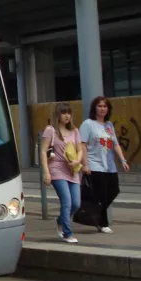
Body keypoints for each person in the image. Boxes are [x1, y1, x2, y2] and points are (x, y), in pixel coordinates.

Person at [81, 96, 130, 234]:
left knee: (114, 189)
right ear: (94, 108)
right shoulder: (88, 124)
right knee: (101, 194)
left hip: (109, 165)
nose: (102, 109)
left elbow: (115, 144)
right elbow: (82, 145)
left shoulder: (109, 125)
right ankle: (103, 223)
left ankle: (94, 214)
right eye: (99, 106)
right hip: (94, 164)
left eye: (105, 106)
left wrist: (123, 160)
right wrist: (85, 165)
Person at [40, 102, 86, 244]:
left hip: (72, 170)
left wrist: (77, 161)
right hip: (57, 168)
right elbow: (42, 151)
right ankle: (67, 233)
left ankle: (60, 220)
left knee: (76, 203)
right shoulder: (51, 130)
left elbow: (80, 150)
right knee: (66, 201)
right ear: (58, 114)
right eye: (63, 113)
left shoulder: (75, 131)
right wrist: (46, 172)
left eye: (69, 113)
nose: (67, 116)